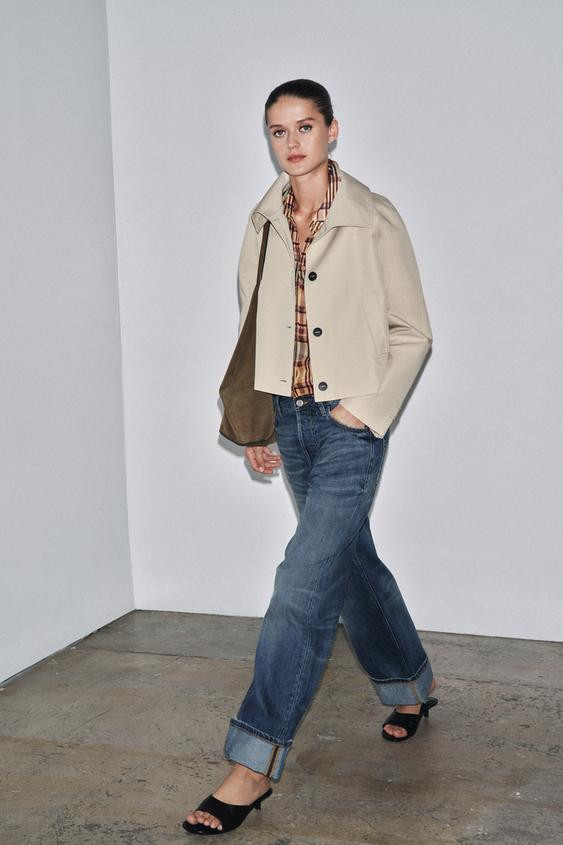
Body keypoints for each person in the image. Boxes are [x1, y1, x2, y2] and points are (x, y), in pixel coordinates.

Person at [183, 78, 438, 836]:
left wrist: (364, 411)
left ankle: (252, 764)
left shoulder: (373, 217)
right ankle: (408, 684)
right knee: (348, 561)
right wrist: (258, 424)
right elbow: (254, 327)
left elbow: (413, 330)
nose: (291, 143)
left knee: (302, 580)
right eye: (277, 130)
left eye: (304, 127)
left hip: (350, 421)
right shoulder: (263, 220)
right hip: (290, 422)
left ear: (332, 130)